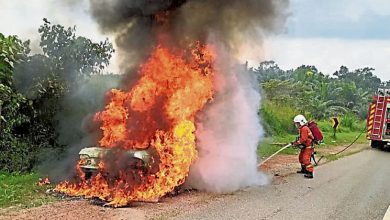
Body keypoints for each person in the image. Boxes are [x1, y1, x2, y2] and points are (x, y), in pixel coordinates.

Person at [292, 115, 314, 179]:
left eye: (297, 123)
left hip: (308, 147)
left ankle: (310, 173)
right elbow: (301, 138)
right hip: (305, 146)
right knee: (301, 158)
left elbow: (303, 139)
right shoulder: (302, 128)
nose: (296, 125)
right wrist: (295, 142)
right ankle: (304, 170)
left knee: (305, 159)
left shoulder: (304, 128)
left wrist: (296, 143)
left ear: (300, 122)